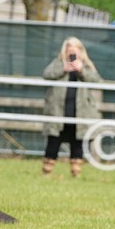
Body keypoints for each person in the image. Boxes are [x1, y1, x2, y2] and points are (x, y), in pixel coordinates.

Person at [41, 37, 102, 177]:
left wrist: (81, 70)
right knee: (53, 140)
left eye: (75, 50)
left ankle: (76, 172)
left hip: (79, 112)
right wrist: (63, 69)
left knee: (77, 142)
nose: (72, 53)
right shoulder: (58, 63)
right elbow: (46, 74)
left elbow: (96, 79)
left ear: (81, 51)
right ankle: (47, 171)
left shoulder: (86, 66)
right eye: (69, 51)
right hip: (59, 111)